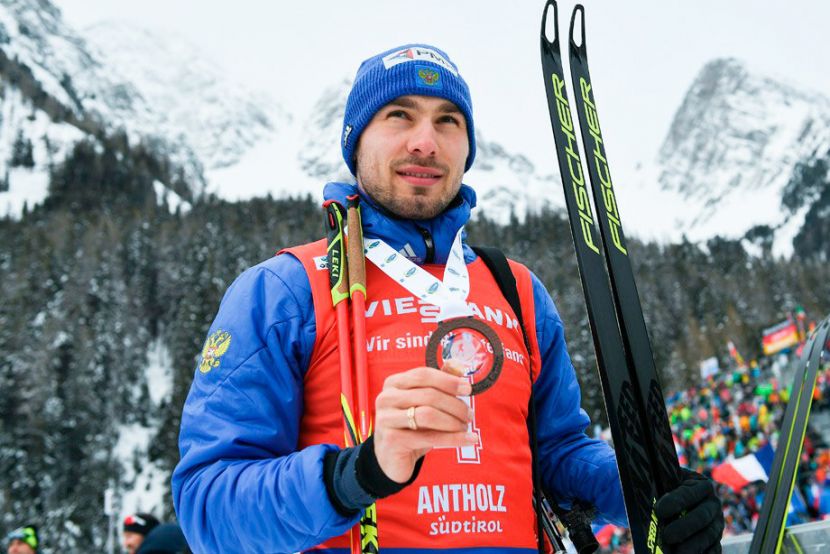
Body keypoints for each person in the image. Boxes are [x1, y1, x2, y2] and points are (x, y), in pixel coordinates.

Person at [172, 43, 724, 552]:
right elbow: (207, 508)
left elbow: (558, 453)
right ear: (356, 141)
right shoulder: (285, 290)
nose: (425, 141)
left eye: (448, 121)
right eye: (399, 115)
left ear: (467, 148)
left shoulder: (515, 288)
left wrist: (645, 490)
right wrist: (357, 474)